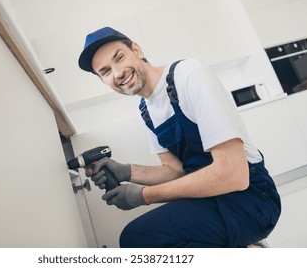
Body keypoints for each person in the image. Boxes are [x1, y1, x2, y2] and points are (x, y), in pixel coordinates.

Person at [78, 26, 281, 248]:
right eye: (105, 71)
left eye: (119, 58)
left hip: (251, 199)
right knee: (136, 238)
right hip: (210, 197)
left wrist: (143, 196)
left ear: (136, 50)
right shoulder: (145, 111)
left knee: (138, 238)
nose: (117, 73)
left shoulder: (188, 75)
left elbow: (234, 174)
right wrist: (127, 171)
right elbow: (176, 171)